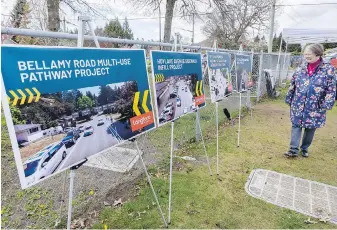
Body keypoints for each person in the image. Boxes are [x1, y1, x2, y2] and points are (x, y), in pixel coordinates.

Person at [284, 43, 336, 158]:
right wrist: (289, 97)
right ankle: (293, 150)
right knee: (296, 125)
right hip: (298, 103)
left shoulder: (328, 69)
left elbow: (331, 88)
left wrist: (327, 103)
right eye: (305, 54)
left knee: (310, 128)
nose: (306, 56)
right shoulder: (301, 67)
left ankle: (304, 148)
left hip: (315, 105)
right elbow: (293, 84)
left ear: (318, 54)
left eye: (309, 54)